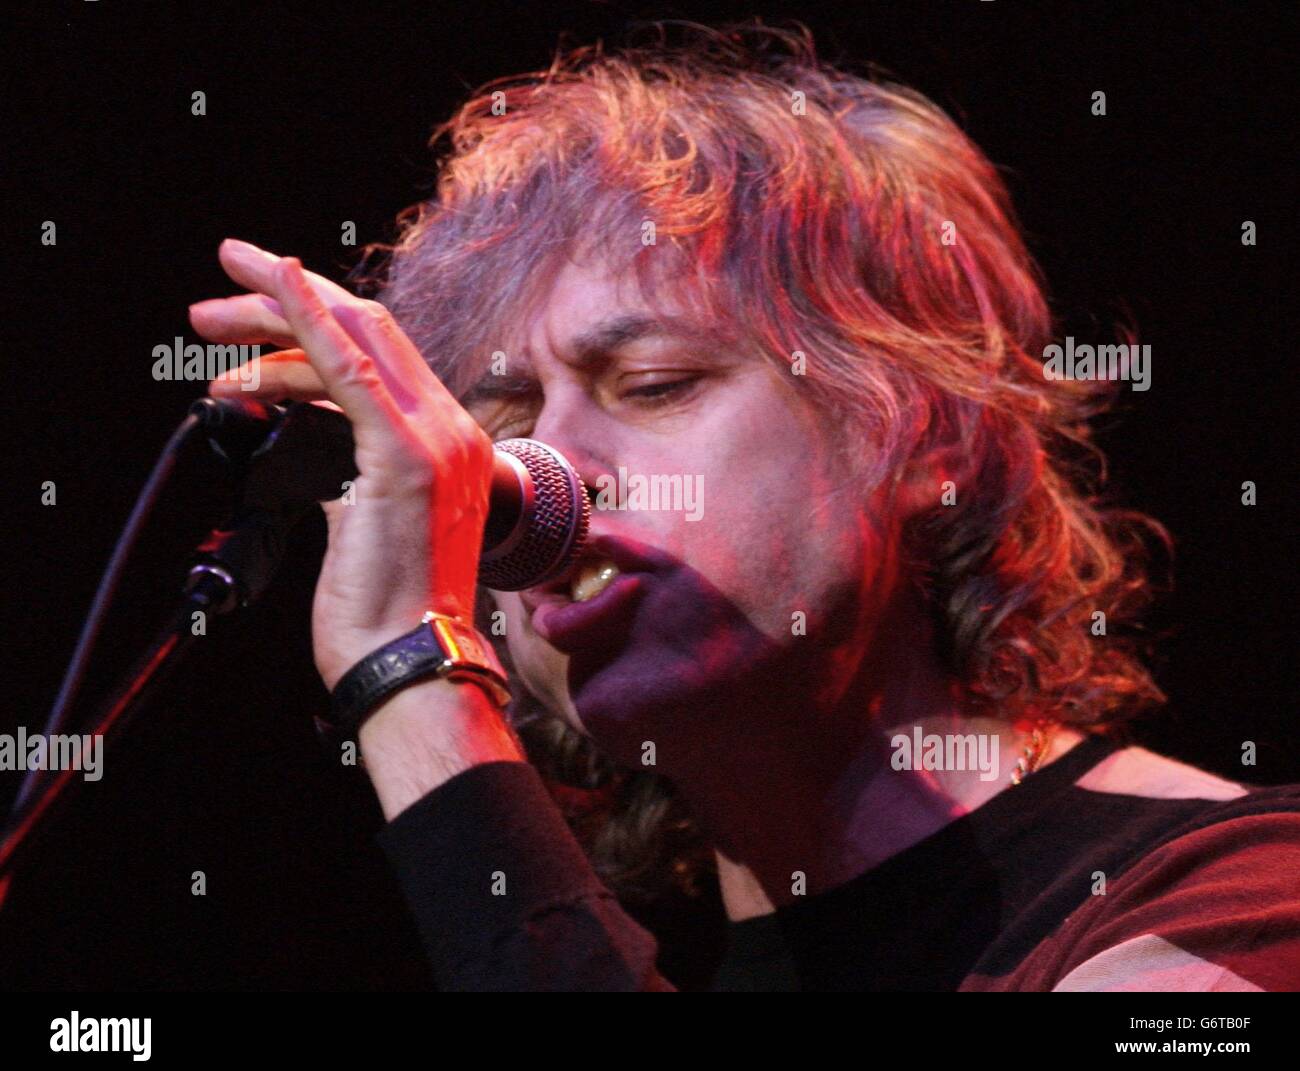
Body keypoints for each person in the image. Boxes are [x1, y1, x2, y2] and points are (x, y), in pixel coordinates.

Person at [188, 25, 1300, 991]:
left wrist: (410, 674)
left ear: (931, 437)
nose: (546, 467)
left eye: (657, 383)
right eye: (503, 419)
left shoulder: (1238, 904)